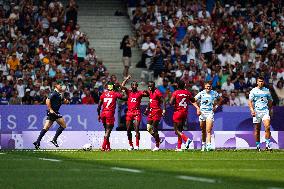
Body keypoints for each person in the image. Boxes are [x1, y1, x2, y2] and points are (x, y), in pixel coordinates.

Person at [33, 81, 69, 149]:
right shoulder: (53, 93)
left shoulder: (59, 94)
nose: (61, 86)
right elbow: (47, 100)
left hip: (54, 112)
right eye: (59, 85)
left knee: (46, 127)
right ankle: (54, 139)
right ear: (56, 86)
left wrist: (66, 101)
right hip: (53, 112)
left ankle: (37, 141)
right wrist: (50, 109)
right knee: (63, 125)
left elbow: (63, 100)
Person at [169, 80, 199, 151]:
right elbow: (193, 99)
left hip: (178, 112)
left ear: (177, 86)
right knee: (180, 130)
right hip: (185, 113)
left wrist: (175, 102)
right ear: (184, 85)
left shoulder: (176, 92)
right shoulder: (187, 93)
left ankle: (187, 139)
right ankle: (179, 147)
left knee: (176, 130)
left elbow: (170, 103)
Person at [121, 75, 148, 150]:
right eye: (133, 85)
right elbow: (122, 86)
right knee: (128, 130)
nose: (134, 86)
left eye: (136, 85)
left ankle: (137, 146)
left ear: (137, 86)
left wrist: (147, 92)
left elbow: (148, 94)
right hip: (129, 113)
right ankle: (131, 145)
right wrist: (126, 79)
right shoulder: (128, 92)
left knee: (136, 129)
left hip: (137, 113)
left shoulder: (140, 93)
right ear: (131, 86)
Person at [195, 81, 222, 151]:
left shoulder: (214, 93)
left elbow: (220, 99)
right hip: (202, 113)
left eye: (209, 86)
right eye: (207, 86)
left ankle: (209, 145)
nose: (208, 88)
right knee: (203, 131)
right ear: (205, 86)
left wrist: (215, 107)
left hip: (210, 113)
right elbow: (193, 100)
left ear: (211, 87)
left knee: (208, 130)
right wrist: (198, 109)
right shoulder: (201, 93)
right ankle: (203, 145)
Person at [97, 82, 125, 151]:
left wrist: (98, 115)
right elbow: (125, 98)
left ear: (107, 87)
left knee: (106, 130)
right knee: (108, 130)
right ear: (113, 87)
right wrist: (123, 91)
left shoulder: (103, 94)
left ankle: (108, 147)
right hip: (110, 114)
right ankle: (103, 147)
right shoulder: (115, 94)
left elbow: (98, 107)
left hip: (103, 113)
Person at [248, 76, 273, 151]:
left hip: (265, 111)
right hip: (257, 112)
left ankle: (267, 145)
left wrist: (269, 109)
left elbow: (270, 100)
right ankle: (258, 146)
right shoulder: (253, 91)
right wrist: (252, 110)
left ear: (264, 82)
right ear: (257, 82)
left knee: (267, 127)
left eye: (262, 81)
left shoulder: (267, 90)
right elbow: (249, 101)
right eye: (259, 81)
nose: (261, 83)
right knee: (257, 130)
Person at [144, 81, 166, 151]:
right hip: (151, 111)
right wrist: (147, 109)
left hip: (157, 111)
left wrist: (164, 109)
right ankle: (159, 139)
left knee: (154, 128)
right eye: (149, 86)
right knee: (148, 128)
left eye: (151, 86)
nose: (150, 88)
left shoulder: (157, 92)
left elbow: (163, 100)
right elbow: (150, 101)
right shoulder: (150, 92)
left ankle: (157, 146)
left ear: (154, 86)